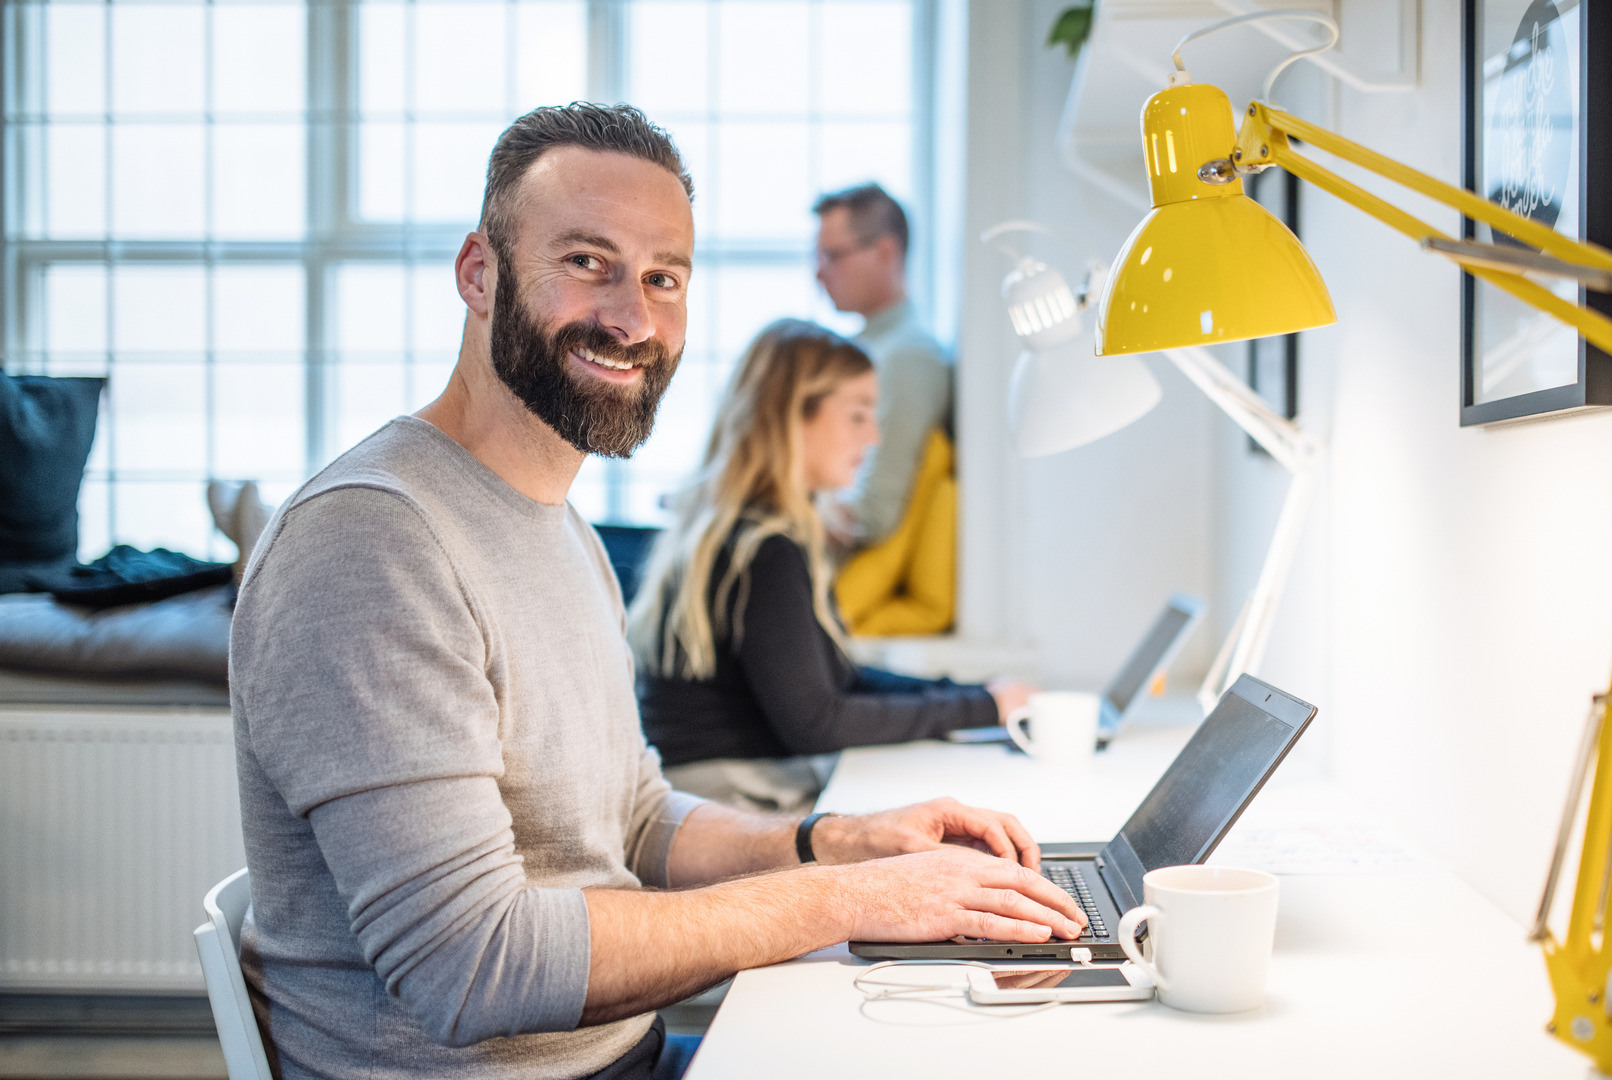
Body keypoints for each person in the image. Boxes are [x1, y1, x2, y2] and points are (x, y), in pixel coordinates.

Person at [228, 104, 1083, 1080]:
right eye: (586, 261)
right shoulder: (371, 543)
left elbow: (634, 820)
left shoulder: (564, 531)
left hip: (621, 1056)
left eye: (662, 278)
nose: (632, 319)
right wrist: (856, 899)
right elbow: (470, 969)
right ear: (479, 273)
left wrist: (845, 843)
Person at [631, 319, 1034, 812]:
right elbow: (817, 722)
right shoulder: (763, 549)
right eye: (858, 415)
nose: (873, 436)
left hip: (719, 791)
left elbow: (838, 678)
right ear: (793, 416)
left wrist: (977, 697)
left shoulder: (745, 530)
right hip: (730, 802)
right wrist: (982, 707)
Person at [811, 184, 949, 551]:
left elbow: (870, 513)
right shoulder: (868, 348)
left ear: (885, 252)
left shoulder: (907, 358)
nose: (818, 273)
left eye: (831, 256)